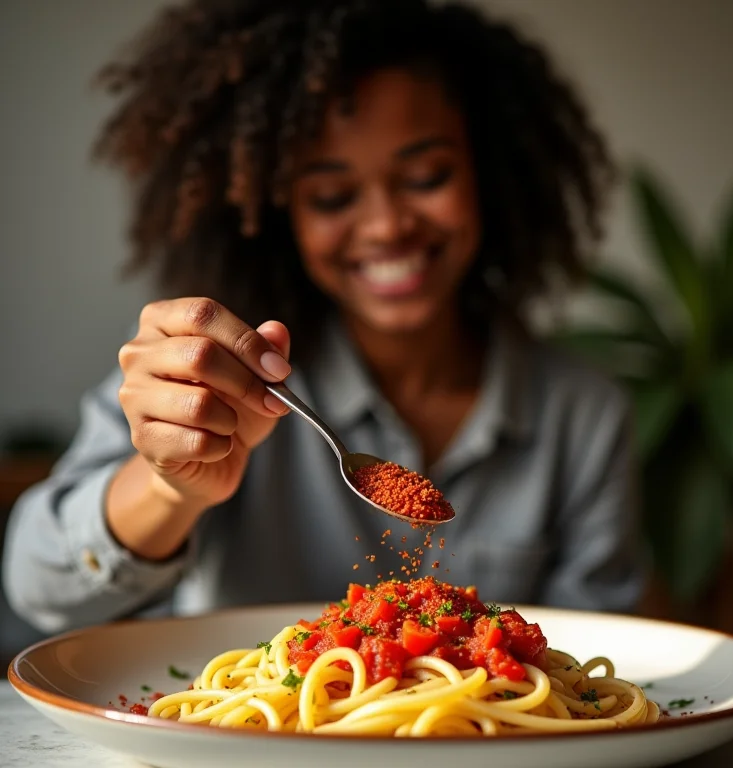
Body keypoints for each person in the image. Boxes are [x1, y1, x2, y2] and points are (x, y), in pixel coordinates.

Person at [2, 0, 644, 635]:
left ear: (495, 176)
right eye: (333, 195)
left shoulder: (582, 414)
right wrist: (174, 489)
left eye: (426, 175)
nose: (388, 225)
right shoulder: (214, 373)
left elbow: (590, 672)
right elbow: (40, 586)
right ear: (279, 216)